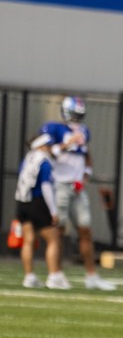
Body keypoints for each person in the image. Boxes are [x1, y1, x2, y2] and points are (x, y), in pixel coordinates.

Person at [39, 96, 117, 291]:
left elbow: (87, 157)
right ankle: (55, 274)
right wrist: (66, 144)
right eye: (74, 114)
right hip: (59, 185)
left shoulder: (84, 131)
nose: (76, 119)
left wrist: (85, 177)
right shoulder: (54, 129)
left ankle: (92, 276)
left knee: (85, 231)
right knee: (58, 232)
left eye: (79, 115)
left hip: (77, 188)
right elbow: (43, 151)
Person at [15, 134, 71, 290]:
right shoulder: (44, 161)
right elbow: (46, 186)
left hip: (22, 202)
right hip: (38, 203)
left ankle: (29, 276)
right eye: (47, 145)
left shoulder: (27, 159)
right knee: (54, 240)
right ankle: (54, 276)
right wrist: (53, 211)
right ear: (41, 146)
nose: (49, 148)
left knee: (28, 240)